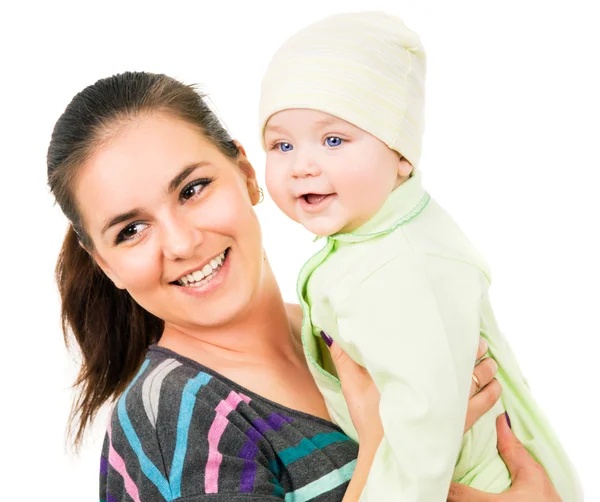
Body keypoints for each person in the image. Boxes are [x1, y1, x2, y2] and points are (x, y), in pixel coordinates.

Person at [48, 72, 561, 501]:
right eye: (131, 231)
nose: (182, 243)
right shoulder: (174, 418)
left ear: (247, 173)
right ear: (105, 264)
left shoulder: (354, 323)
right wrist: (385, 447)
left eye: (193, 189)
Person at [259, 11, 581, 502]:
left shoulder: (401, 265)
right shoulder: (372, 238)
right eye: (282, 144)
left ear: (402, 153)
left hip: (468, 482)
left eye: (333, 140)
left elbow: (423, 423)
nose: (302, 165)